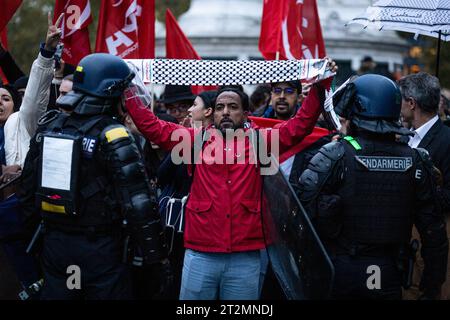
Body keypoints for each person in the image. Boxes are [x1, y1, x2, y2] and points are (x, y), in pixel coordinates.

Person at [124, 59, 337, 300]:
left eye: (233, 107)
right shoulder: (194, 141)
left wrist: (322, 83)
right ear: (212, 114)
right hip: (200, 254)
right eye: (220, 107)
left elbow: (301, 125)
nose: (225, 112)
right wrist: (128, 89)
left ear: (245, 113)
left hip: (245, 256)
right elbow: (151, 126)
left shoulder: (261, 141)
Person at [18, 53, 168, 300]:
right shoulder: (114, 135)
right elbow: (139, 205)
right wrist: (157, 258)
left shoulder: (51, 126)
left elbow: (27, 193)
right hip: (101, 250)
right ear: (111, 91)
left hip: (55, 247)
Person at [297, 74, 448, 300]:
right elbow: (433, 231)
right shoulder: (416, 158)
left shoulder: (335, 154)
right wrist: (432, 284)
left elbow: (302, 215)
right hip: (389, 271)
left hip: (342, 270)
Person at [398, 72, 450, 299]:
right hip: (404, 245)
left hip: (432, 244)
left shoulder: (447, 140)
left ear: (411, 103)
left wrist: (421, 188)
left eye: (401, 100)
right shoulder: (401, 138)